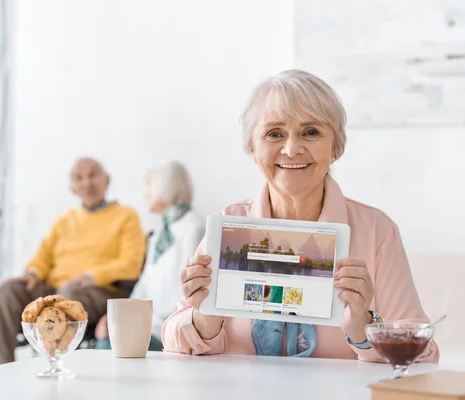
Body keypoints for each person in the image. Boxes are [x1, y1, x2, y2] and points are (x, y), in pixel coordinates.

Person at [161, 69, 440, 362]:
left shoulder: (376, 231)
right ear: (253, 148)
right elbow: (172, 339)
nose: (292, 149)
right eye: (274, 134)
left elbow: (424, 353)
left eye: (311, 132)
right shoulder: (227, 225)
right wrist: (205, 318)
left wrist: (365, 328)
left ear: (335, 146)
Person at [0, 158, 146, 365]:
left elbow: (131, 264)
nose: (87, 183)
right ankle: (0, 367)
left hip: (98, 291)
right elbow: (43, 255)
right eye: (79, 178)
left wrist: (89, 277)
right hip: (57, 288)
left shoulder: (126, 216)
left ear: (107, 180)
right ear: (73, 188)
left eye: (93, 175)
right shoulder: (65, 220)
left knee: (67, 296)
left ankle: (54, 365)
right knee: (8, 291)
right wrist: (32, 274)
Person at [94, 161, 204, 351]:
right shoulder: (160, 234)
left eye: (149, 186)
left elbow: (188, 293)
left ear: (165, 186)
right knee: (107, 335)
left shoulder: (194, 228)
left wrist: (137, 321)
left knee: (108, 346)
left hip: (169, 330)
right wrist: (118, 315)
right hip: (148, 325)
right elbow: (144, 284)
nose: (146, 193)